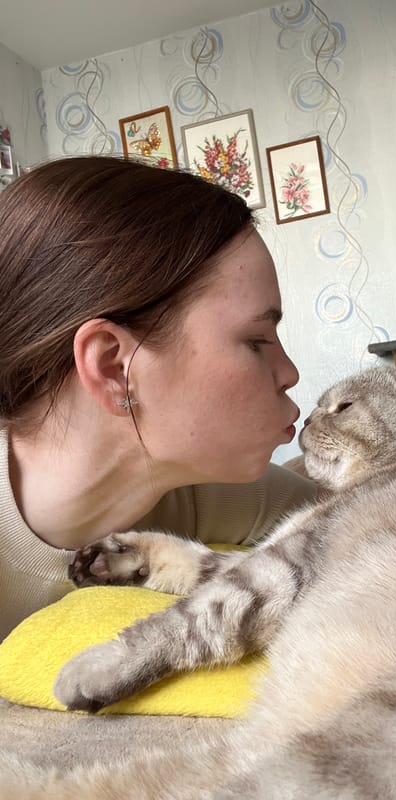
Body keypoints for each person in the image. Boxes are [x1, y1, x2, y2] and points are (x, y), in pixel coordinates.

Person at [0, 155, 317, 640]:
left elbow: (391, 537)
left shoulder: (204, 494)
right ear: (113, 367)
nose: (290, 373)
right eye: (256, 341)